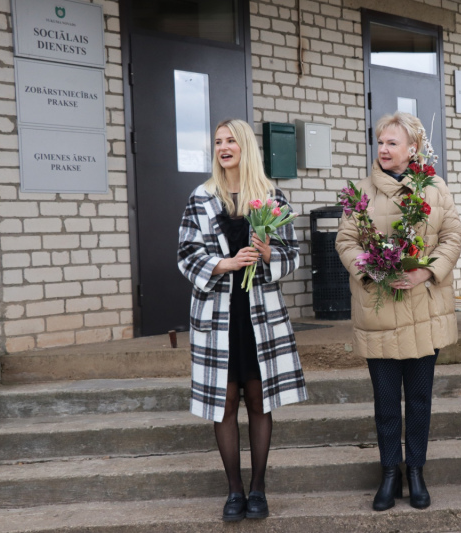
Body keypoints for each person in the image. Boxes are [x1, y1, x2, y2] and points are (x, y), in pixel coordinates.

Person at [177, 119, 307, 522]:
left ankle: (258, 489)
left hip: (260, 314)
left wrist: (268, 253)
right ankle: (233, 490)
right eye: (217, 141)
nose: (223, 147)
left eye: (231, 140)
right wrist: (226, 264)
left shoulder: (271, 196)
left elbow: (293, 254)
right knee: (226, 402)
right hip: (218, 316)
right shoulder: (201, 198)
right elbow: (186, 254)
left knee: (258, 398)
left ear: (245, 146)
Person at [336, 111, 461, 512]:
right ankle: (390, 470)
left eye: (393, 143)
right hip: (380, 312)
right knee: (387, 401)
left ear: (413, 149)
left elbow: (452, 235)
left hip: (425, 308)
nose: (384, 149)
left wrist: (426, 271)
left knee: (421, 399)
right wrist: (373, 271)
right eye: (381, 142)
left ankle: (416, 471)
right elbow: (346, 240)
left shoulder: (435, 188)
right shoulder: (361, 192)